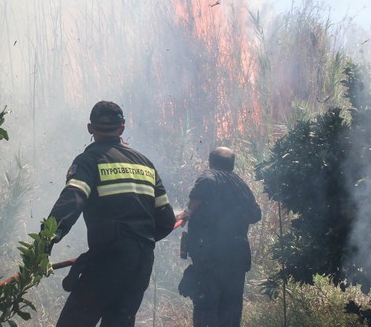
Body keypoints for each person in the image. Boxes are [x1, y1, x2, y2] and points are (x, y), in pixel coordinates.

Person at [46, 100, 176, 327]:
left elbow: (72, 201)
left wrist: (44, 244)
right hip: (142, 262)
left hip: (109, 258)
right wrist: (135, 240)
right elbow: (166, 221)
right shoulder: (146, 164)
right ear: (122, 127)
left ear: (90, 128)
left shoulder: (89, 160)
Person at [177, 147, 261, 327]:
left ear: (211, 162)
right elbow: (255, 215)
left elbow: (202, 189)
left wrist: (188, 212)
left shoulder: (209, 176)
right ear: (232, 165)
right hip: (237, 258)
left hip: (210, 257)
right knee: (231, 310)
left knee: (206, 307)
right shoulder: (241, 185)